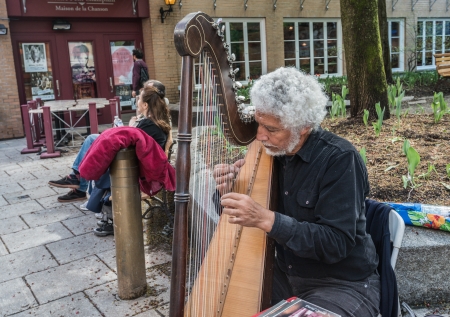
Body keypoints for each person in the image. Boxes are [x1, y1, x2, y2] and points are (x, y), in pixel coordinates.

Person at [215, 67, 380, 317]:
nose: (260, 135)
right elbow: (237, 219)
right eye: (259, 123)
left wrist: (267, 219)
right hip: (284, 275)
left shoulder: (340, 159)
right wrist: (228, 190)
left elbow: (336, 243)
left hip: (340, 284)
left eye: (271, 129)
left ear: (303, 127)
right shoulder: (273, 154)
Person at [48, 80, 171, 208]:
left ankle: (78, 180)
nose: (136, 100)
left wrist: (131, 125)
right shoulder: (155, 118)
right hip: (134, 158)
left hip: (130, 163)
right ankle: (77, 179)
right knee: (93, 139)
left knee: (94, 143)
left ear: (146, 104)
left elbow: (134, 144)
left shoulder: (149, 123)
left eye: (139, 98)